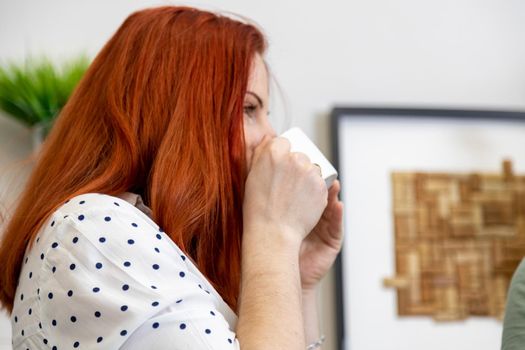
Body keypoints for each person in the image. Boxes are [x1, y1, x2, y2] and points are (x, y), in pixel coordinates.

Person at [0, 6, 343, 350]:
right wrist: (276, 234)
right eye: (249, 109)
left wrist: (296, 279)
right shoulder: (95, 229)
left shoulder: (138, 242)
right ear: (177, 114)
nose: (271, 137)